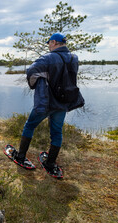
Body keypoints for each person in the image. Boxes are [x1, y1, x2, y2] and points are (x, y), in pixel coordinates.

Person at [6, 33, 84, 178]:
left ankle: (21, 156)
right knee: (57, 132)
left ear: (54, 42)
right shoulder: (74, 58)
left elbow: (31, 72)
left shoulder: (48, 58)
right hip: (63, 102)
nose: (48, 45)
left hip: (46, 102)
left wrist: (39, 82)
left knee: (29, 125)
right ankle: (50, 163)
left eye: (49, 43)